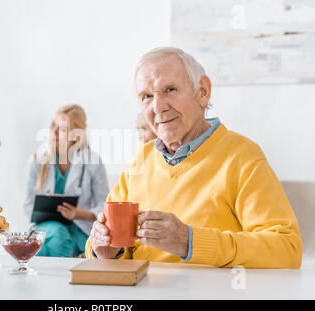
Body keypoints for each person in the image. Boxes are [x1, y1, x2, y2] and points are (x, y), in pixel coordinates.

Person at [86, 47, 303, 268]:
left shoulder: (243, 156)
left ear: (203, 92)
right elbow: (107, 248)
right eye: (147, 96)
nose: (158, 107)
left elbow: (286, 249)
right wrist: (106, 251)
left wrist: (189, 241)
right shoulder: (141, 159)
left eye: (170, 89)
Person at [24, 104, 109, 257]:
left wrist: (82, 214)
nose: (54, 132)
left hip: (80, 228)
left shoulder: (93, 161)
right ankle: (74, 259)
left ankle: (71, 258)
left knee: (43, 249)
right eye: (52, 125)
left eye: (62, 129)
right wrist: (44, 212)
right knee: (57, 234)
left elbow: (104, 205)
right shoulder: (38, 160)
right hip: (47, 228)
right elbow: (28, 205)